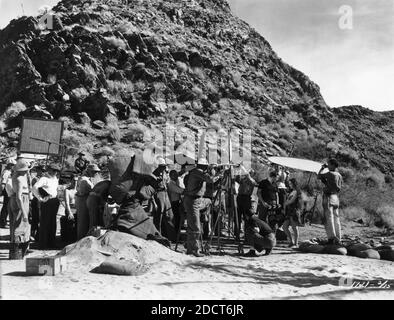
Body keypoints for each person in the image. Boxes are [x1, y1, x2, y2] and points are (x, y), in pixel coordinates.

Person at [183, 158, 213, 257]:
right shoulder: (197, 172)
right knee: (195, 227)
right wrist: (215, 173)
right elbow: (210, 179)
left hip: (197, 200)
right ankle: (194, 249)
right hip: (193, 200)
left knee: (208, 201)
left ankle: (190, 245)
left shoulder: (198, 172)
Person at [33, 164, 61, 249]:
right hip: (47, 201)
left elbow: (55, 189)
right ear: (50, 170)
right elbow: (34, 187)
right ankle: (43, 244)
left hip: (54, 201)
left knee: (52, 223)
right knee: (45, 223)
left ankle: (51, 243)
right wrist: (40, 198)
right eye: (54, 170)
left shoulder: (55, 179)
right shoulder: (44, 179)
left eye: (56, 171)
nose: (56, 172)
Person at [8, 159, 31, 259]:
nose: (27, 171)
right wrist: (24, 212)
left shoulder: (19, 176)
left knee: (16, 224)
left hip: (19, 199)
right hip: (20, 200)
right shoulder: (19, 179)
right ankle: (16, 251)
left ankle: (17, 250)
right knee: (19, 225)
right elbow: (18, 197)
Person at [318, 158, 343, 245]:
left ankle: (332, 238)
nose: (328, 166)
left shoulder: (330, 174)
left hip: (328, 196)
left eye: (329, 164)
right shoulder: (339, 175)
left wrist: (322, 168)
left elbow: (319, 176)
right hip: (336, 197)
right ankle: (338, 237)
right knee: (336, 218)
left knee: (329, 218)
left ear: (333, 164)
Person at [152, 158, 176, 241]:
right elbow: (151, 188)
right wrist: (153, 202)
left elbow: (167, 182)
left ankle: (172, 237)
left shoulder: (165, 173)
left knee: (169, 215)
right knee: (159, 216)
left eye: (164, 166)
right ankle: (158, 235)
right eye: (162, 166)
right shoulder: (154, 174)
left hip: (165, 193)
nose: (163, 168)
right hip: (158, 194)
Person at [75, 164, 101, 240]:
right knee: (83, 222)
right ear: (89, 171)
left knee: (85, 221)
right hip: (83, 201)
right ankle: (80, 240)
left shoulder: (86, 179)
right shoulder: (84, 180)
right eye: (94, 172)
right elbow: (83, 192)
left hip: (84, 200)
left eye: (96, 172)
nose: (96, 173)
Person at [235, 165, 257, 239]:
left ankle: (247, 235)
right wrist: (238, 170)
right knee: (237, 216)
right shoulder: (243, 180)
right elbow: (236, 179)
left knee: (246, 217)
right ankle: (237, 234)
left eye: (250, 173)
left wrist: (244, 170)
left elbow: (249, 178)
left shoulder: (252, 181)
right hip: (240, 197)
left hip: (246, 199)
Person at [283, 178, 302, 248]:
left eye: (291, 183)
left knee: (294, 227)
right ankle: (291, 241)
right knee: (284, 226)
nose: (289, 185)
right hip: (289, 211)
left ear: (294, 183)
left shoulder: (296, 191)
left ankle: (296, 243)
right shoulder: (292, 191)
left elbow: (291, 201)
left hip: (294, 210)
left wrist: (285, 203)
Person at [167, 170, 184, 235]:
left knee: (178, 219)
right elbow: (180, 190)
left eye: (177, 175)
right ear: (171, 176)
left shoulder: (176, 182)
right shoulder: (171, 183)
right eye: (174, 175)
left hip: (177, 202)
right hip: (174, 203)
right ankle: (176, 234)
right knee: (176, 219)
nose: (176, 176)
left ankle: (177, 234)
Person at [30, 165, 44, 241]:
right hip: (36, 199)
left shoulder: (43, 179)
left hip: (41, 200)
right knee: (35, 218)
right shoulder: (35, 179)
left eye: (42, 171)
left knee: (40, 218)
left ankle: (38, 235)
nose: (42, 172)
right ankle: (33, 234)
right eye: (41, 170)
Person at [0, 158, 15, 228]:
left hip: (7, 191)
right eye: (12, 165)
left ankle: (3, 221)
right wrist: (1, 191)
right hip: (7, 191)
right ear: (9, 165)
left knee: (6, 207)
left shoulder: (8, 171)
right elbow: (3, 183)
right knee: (6, 207)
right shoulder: (7, 172)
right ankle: (2, 222)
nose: (13, 166)